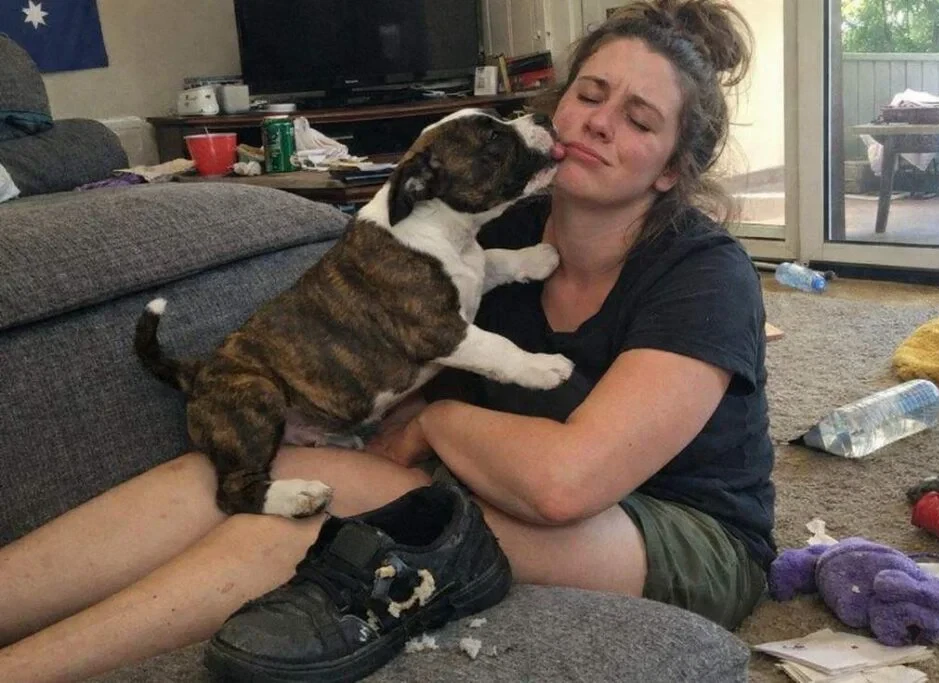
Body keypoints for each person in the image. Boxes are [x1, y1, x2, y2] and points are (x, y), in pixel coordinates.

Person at [0, 1, 775, 680]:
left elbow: (564, 483)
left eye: (639, 120)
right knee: (238, 469)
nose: (600, 122)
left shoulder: (705, 273)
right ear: (556, 107)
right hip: (504, 471)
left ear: (673, 170)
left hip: (673, 527)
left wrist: (435, 424)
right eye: (589, 94)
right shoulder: (491, 225)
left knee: (325, 521)